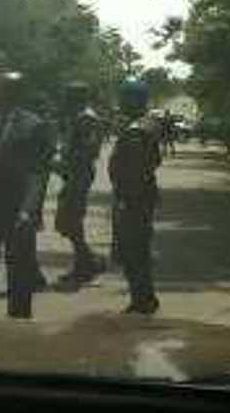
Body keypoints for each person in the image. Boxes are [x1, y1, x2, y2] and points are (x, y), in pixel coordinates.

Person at [0, 71, 53, 319]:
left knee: (19, 275)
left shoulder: (34, 126)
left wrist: (28, 210)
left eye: (3, 89)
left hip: (16, 211)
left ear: (16, 93)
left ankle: (18, 328)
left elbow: (39, 173)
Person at [108, 78, 163, 315]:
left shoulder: (135, 130)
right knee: (136, 250)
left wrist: (124, 200)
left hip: (133, 199)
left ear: (133, 100)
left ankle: (142, 300)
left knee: (133, 252)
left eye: (123, 98)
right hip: (142, 198)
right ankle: (143, 297)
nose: (120, 103)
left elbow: (134, 171)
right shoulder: (148, 124)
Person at [54, 81, 104, 286]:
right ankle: (87, 262)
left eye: (69, 96)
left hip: (79, 173)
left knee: (70, 220)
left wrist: (64, 162)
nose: (65, 100)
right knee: (68, 222)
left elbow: (89, 150)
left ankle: (86, 265)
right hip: (74, 172)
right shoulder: (78, 116)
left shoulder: (86, 118)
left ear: (77, 97)